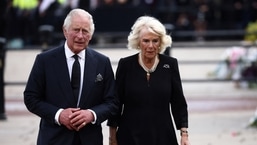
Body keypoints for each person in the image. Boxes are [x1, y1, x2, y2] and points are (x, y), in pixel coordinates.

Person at [24, 8, 119, 145]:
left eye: (85, 31)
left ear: (91, 35)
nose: (80, 36)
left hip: (89, 139)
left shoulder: (102, 62)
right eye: (76, 29)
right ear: (65, 31)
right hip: (54, 139)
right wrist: (58, 114)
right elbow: (31, 97)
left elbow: (112, 102)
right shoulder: (45, 60)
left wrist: (92, 114)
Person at [107, 16, 190, 145]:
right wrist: (112, 137)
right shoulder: (126, 65)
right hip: (129, 136)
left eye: (155, 41)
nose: (150, 46)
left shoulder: (170, 64)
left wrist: (184, 134)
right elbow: (116, 104)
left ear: (161, 42)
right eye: (146, 41)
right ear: (138, 42)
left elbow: (178, 102)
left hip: (163, 136)